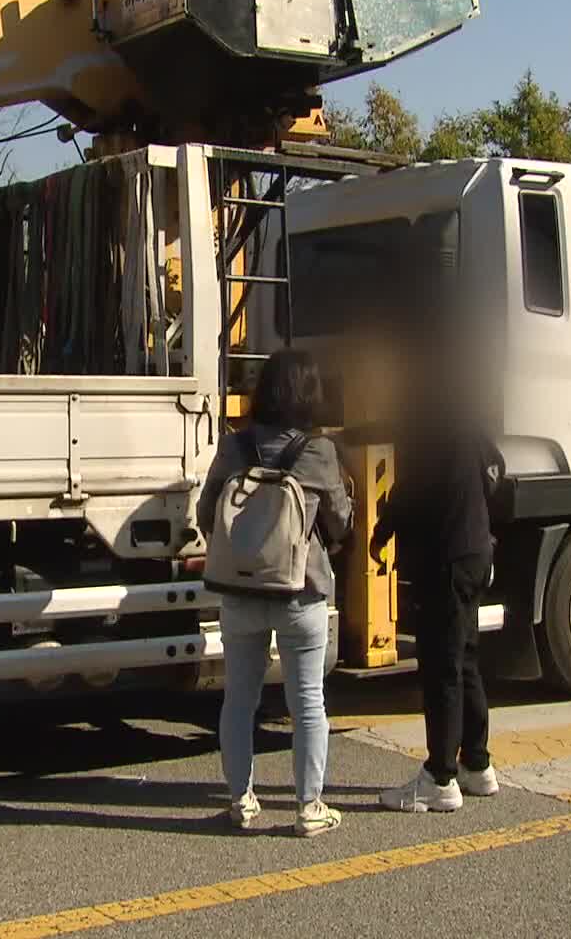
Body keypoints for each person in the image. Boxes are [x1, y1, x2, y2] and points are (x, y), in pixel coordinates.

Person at [197, 350, 354, 837]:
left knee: (238, 700)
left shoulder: (233, 447)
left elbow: (207, 514)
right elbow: (342, 520)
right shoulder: (319, 452)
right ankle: (309, 808)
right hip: (300, 590)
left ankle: (241, 802)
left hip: (239, 591)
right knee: (307, 701)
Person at [370, 339, 505, 814]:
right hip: (473, 551)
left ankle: (440, 776)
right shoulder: (468, 419)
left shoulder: (427, 422)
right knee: (466, 658)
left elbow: (411, 492)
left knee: (441, 668)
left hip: (444, 558)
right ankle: (477, 763)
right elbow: (496, 469)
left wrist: (382, 530)